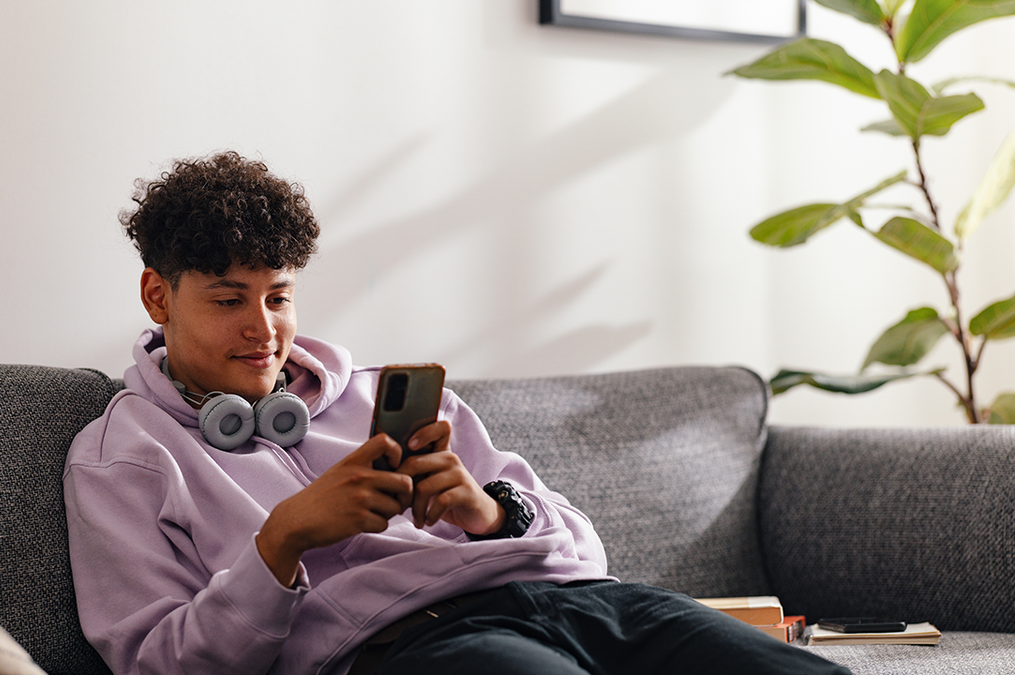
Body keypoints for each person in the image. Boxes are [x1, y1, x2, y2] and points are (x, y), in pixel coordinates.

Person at [63, 151, 850, 675]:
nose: (262, 329)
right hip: (416, 647)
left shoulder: (382, 395)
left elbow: (585, 548)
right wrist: (284, 538)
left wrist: (486, 510)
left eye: (278, 297)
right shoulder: (122, 457)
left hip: (584, 605)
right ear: (158, 295)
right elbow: (158, 662)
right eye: (229, 300)